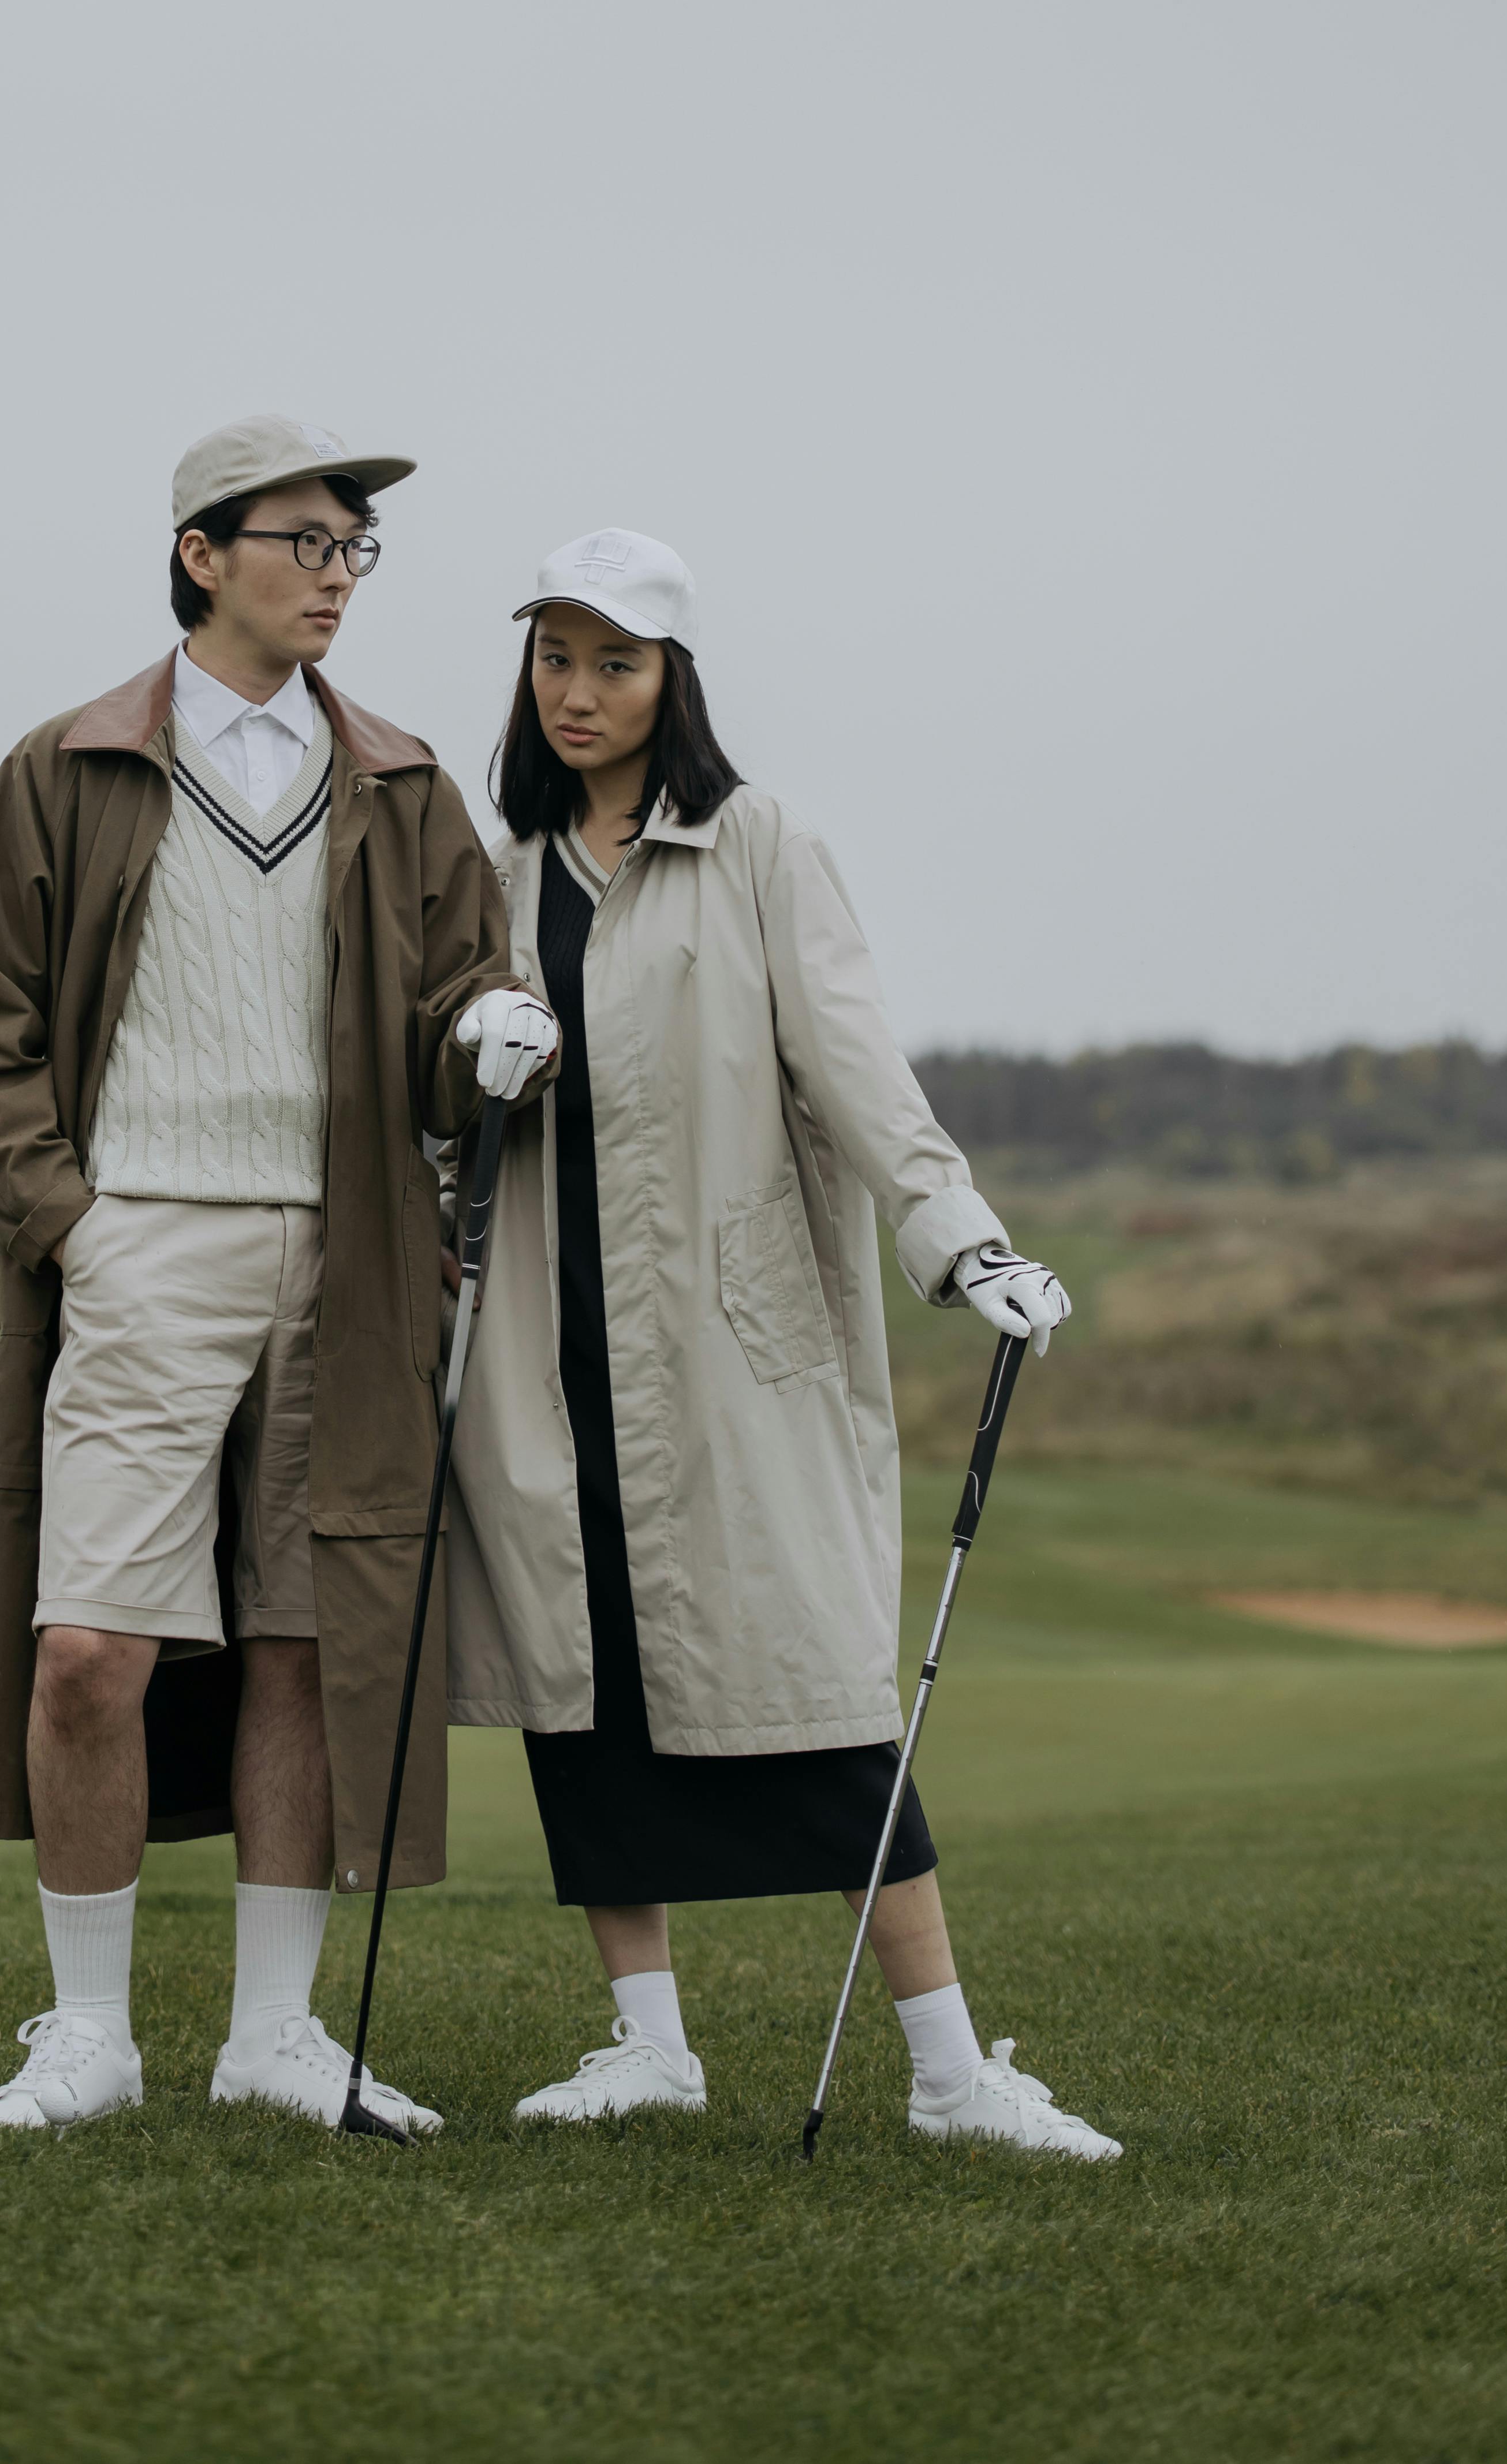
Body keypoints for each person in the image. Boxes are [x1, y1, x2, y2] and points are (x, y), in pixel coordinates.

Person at [444, 527, 1121, 2160]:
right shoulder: (502, 871)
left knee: (821, 1705)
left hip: (733, 1353)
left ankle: (956, 2077)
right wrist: (471, 1048)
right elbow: (444, 1106)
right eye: (555, 659)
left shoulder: (758, 848)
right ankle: (646, 2045)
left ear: (673, 678)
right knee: (581, 1699)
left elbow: (857, 1071)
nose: (579, 693)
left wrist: (963, 1241)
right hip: (551, 1345)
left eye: (616, 663)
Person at [0, 413, 559, 2136]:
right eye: (305, 542)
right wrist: (77, 1223)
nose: (337, 576)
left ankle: (273, 2037)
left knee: (302, 1643)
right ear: (205, 553)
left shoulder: (410, 781)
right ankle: (90, 2037)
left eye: (357, 551)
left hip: (352, 1262)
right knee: (87, 1655)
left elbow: (454, 1029)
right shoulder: (68, 766)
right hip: (142, 1244)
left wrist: (489, 1038)